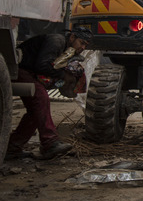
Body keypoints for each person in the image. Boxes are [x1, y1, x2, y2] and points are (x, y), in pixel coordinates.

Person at [5, 26, 93, 160]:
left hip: (29, 72)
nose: (83, 47)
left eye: (85, 45)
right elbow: (42, 65)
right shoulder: (56, 41)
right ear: (72, 37)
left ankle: (13, 147)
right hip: (21, 70)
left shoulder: (66, 48)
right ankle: (50, 142)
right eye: (81, 42)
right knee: (41, 99)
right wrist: (63, 75)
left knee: (36, 111)